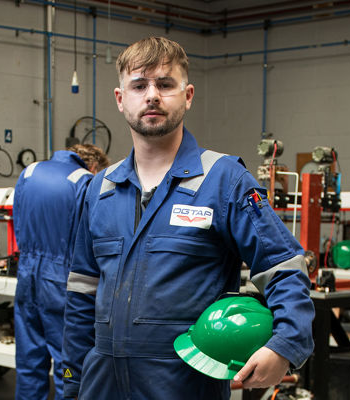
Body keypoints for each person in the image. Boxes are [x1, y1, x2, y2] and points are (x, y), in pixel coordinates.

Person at [61, 37, 314, 400]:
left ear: (188, 95)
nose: (152, 95)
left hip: (183, 384)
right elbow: (81, 293)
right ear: (120, 99)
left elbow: (284, 266)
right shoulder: (99, 189)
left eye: (165, 84)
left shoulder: (224, 180)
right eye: (139, 85)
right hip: (101, 385)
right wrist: (71, 381)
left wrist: (285, 345)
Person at [13, 144, 109, 400]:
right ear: (93, 165)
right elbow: (88, 240)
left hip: (26, 276)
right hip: (59, 282)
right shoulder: (84, 180)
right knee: (67, 365)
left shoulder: (30, 172)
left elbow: (18, 223)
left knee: (28, 361)